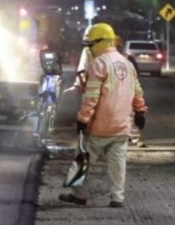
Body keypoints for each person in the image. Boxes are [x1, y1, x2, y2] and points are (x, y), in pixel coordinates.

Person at [59, 22, 147, 209]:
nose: (89, 48)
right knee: (118, 164)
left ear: (99, 42)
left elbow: (91, 97)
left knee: (82, 159)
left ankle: (79, 195)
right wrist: (140, 111)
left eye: (90, 44)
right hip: (122, 126)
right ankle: (117, 198)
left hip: (99, 126)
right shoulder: (127, 63)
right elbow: (137, 90)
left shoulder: (98, 64)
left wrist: (83, 119)